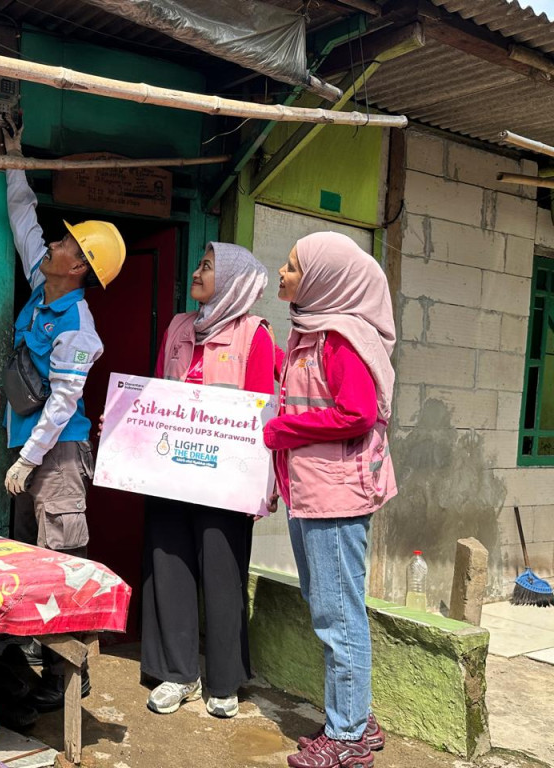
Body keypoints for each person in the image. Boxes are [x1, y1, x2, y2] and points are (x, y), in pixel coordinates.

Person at [0, 120, 126, 710]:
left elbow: (63, 402)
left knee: (61, 562)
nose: (54, 244)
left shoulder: (79, 328)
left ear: (78, 269)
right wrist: (13, 155)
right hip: (31, 457)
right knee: (29, 559)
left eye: (66, 246)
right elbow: (25, 220)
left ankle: (66, 680)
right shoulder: (39, 285)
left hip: (58, 459)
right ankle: (37, 671)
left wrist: (27, 458)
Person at [265, 232, 396, 768]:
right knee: (333, 612)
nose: (282, 272)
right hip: (315, 491)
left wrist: (285, 430)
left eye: (293, 267)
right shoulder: (310, 332)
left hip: (336, 495)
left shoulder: (339, 337)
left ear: (323, 279)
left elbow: (358, 413)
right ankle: (356, 721)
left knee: (338, 619)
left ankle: (347, 741)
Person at [140, 243, 275, 719]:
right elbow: (156, 390)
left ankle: (223, 681)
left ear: (235, 281)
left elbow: (263, 415)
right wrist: (128, 428)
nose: (196, 272)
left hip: (226, 484)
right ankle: (178, 674)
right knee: (168, 564)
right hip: (171, 473)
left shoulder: (255, 335)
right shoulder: (179, 327)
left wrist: (263, 486)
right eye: (198, 262)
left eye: (207, 266)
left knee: (223, 574)